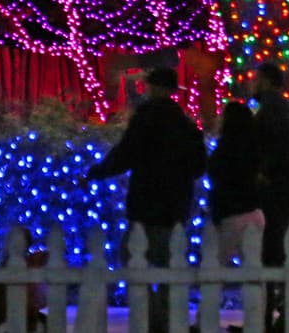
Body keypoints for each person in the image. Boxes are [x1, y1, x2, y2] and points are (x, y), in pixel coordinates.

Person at [88, 67, 206, 333]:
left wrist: (97, 172)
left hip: (145, 202)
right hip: (175, 205)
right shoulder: (186, 125)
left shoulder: (146, 118)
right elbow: (199, 166)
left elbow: (125, 153)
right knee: (169, 265)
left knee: (133, 258)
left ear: (153, 87)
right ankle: (168, 318)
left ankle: (152, 316)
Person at [252, 62, 289, 333]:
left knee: (271, 254)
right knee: (281, 252)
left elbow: (262, 146)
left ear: (265, 81)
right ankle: (278, 316)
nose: (252, 84)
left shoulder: (268, 112)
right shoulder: (287, 110)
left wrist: (265, 171)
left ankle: (270, 318)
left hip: (274, 192)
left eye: (256, 80)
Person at [207, 100, 264, 265]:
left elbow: (218, 177)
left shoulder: (226, 149)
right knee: (253, 268)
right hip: (253, 210)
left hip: (232, 214)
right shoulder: (253, 146)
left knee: (216, 266)